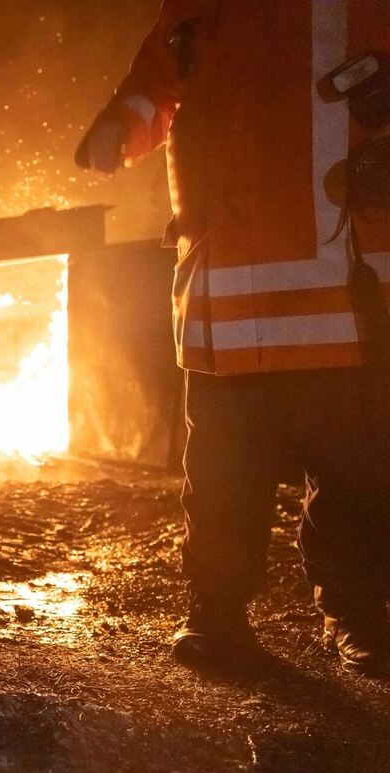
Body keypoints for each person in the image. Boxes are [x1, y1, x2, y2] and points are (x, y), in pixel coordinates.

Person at [79, 1, 390, 674]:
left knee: (358, 471)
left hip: (345, 288)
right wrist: (119, 125)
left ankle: (359, 617)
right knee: (222, 474)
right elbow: (156, 83)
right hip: (232, 291)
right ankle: (216, 619)